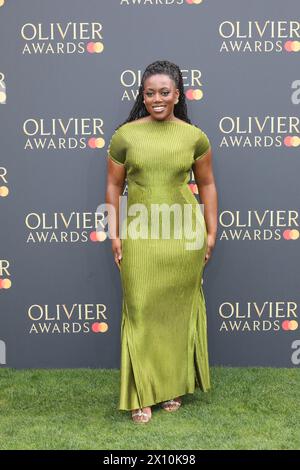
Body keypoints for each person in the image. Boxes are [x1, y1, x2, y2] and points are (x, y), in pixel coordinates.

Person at [105, 60, 218, 424]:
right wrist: (114, 231)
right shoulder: (125, 136)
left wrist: (211, 230)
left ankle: (170, 387)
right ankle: (140, 393)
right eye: (150, 92)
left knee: (173, 313)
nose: (156, 99)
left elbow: (208, 185)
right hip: (139, 234)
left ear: (177, 95)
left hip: (183, 235)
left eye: (164, 92)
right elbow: (112, 186)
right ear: (142, 95)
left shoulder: (194, 136)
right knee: (139, 310)